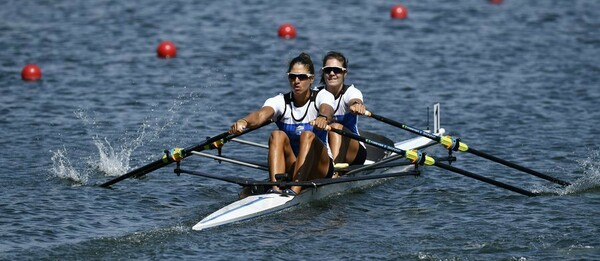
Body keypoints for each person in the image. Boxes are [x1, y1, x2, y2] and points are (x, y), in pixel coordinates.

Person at [229, 53, 335, 195]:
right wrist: (244, 121)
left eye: (302, 77)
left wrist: (323, 117)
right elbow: (261, 115)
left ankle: (295, 190)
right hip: (292, 166)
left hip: (320, 168)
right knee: (277, 135)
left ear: (311, 79)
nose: (296, 81)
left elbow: (327, 109)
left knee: (307, 135)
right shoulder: (280, 101)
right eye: (292, 77)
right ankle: (275, 189)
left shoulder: (323, 96)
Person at [318, 51, 367, 172]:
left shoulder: (351, 92)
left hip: (353, 152)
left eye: (337, 70)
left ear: (345, 73)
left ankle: (334, 172)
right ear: (323, 72)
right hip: (326, 148)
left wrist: (357, 105)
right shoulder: (316, 94)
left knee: (336, 127)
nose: (332, 73)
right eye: (328, 70)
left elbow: (355, 100)